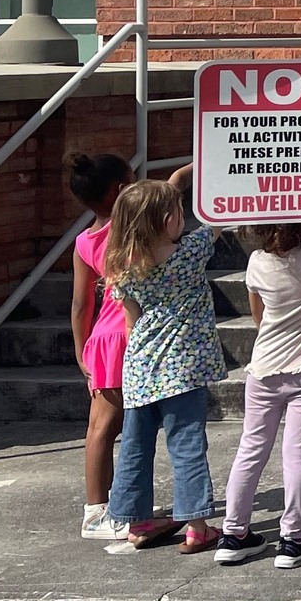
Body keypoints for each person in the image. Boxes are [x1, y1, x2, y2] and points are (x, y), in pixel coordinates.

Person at [101, 164, 223, 555]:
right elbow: (222, 220)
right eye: (179, 212)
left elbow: (131, 320)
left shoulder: (123, 266)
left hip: (139, 369)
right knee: (186, 444)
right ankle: (197, 526)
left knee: (135, 446)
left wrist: (174, 182)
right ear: (167, 219)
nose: (184, 216)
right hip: (182, 371)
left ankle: (136, 521)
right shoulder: (190, 253)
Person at [215, 222, 301, 569]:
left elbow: (259, 318)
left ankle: (234, 532)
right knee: (297, 454)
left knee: (251, 449)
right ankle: (294, 537)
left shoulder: (257, 262)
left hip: (262, 368)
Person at [66, 150, 133, 541]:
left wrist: (80, 351)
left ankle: (107, 504)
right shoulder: (129, 230)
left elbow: (79, 304)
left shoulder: (83, 242)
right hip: (123, 335)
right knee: (104, 427)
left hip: (99, 338)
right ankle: (95, 512)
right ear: (120, 189)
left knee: (102, 425)